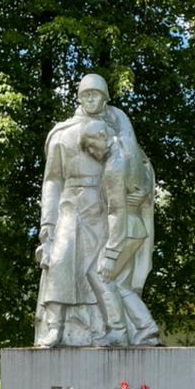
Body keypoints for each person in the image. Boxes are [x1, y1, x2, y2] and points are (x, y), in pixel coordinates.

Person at [34, 73, 161, 347]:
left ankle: (113, 328)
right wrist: (48, 223)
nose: (91, 99)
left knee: (104, 276)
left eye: (97, 94)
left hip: (104, 209)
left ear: (105, 98)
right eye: (86, 94)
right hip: (70, 207)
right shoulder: (62, 134)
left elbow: (139, 167)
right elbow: (52, 180)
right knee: (59, 263)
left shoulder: (116, 131)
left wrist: (141, 190)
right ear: (79, 97)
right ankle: (55, 327)